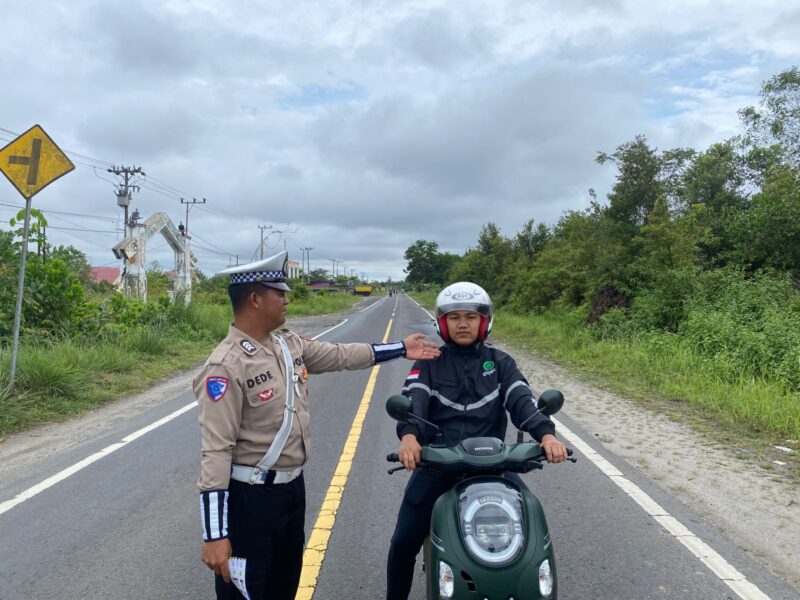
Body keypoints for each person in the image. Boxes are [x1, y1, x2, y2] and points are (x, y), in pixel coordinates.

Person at [194, 250, 440, 600]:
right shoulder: (225, 366)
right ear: (254, 299)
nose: (286, 299)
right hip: (251, 501)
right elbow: (216, 451)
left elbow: (340, 355)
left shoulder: (287, 344)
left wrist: (400, 348)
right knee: (246, 591)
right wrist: (214, 534)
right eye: (279, 293)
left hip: (292, 491)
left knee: (285, 586)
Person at [386, 281, 568, 600]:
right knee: (403, 542)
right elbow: (413, 400)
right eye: (454, 317)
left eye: (471, 316)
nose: (463, 323)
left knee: (531, 522)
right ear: (443, 323)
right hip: (436, 467)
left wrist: (547, 435)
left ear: (484, 321)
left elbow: (522, 400)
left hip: (493, 467)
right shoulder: (429, 362)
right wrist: (410, 438)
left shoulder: (501, 363)